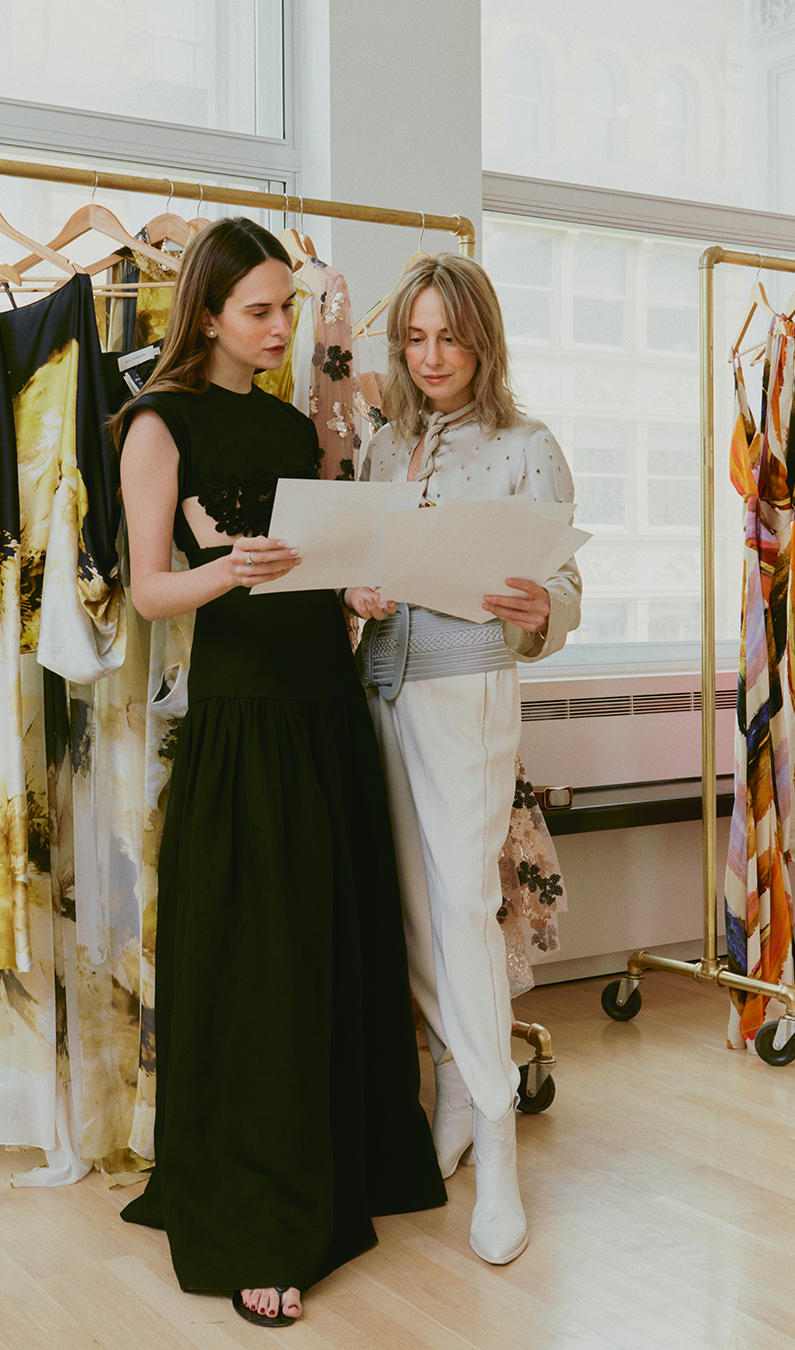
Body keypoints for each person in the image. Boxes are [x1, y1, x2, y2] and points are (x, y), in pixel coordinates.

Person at [113, 218, 446, 1328]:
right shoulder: (158, 425)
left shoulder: (287, 421)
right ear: (206, 313)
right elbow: (148, 592)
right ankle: (260, 1213)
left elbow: (332, 525)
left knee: (333, 943)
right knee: (261, 967)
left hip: (323, 710)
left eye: (285, 310)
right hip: (246, 721)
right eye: (257, 311)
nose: (274, 328)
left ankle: (345, 1165)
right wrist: (229, 574)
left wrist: (351, 591)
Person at [346, 254, 581, 1265]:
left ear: (482, 339)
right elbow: (356, 567)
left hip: (466, 689)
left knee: (460, 910)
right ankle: (451, 1090)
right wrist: (353, 595)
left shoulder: (527, 446)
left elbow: (564, 590)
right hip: (379, 688)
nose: (430, 356)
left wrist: (544, 612)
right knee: (409, 913)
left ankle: (496, 1137)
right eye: (414, 337)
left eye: (449, 335)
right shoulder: (382, 443)